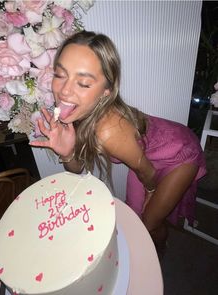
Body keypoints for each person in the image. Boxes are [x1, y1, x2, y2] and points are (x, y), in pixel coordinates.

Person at [30, 30, 206, 252]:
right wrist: (66, 153)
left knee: (149, 224)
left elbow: (147, 173)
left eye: (83, 83)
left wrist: (151, 193)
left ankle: (158, 252)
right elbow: (77, 171)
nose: (64, 91)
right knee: (134, 217)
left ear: (106, 91)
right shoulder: (77, 110)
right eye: (60, 74)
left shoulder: (108, 131)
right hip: (145, 157)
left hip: (179, 153)